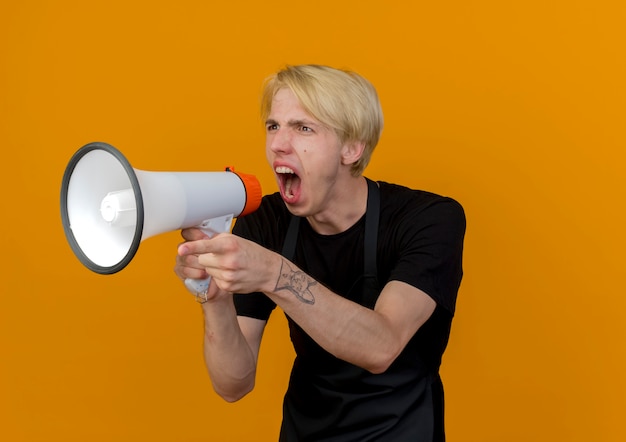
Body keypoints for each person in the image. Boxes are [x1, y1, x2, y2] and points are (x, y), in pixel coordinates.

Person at [175, 64, 466, 441]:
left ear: (352, 147)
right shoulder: (265, 222)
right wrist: (213, 299)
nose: (279, 143)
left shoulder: (428, 219)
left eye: (303, 128)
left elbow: (382, 345)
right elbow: (234, 384)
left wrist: (274, 273)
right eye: (273, 126)